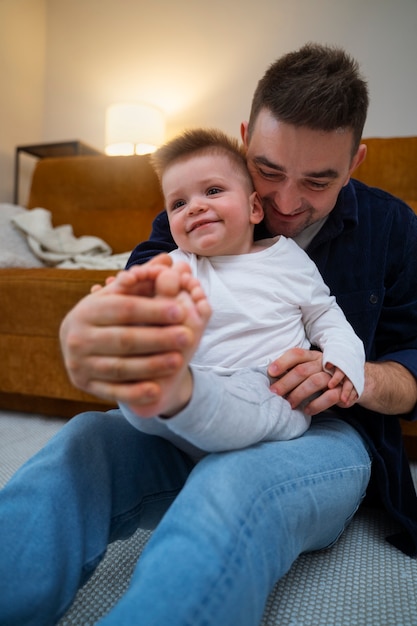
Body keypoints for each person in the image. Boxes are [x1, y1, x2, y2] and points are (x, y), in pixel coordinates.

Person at [1, 43, 416, 626]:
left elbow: (411, 359)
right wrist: (120, 331)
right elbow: (140, 284)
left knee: (234, 482)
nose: (287, 203)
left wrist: (354, 375)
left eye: (319, 182)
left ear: (355, 163)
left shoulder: (393, 227)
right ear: (246, 138)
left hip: (317, 433)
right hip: (193, 403)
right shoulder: (203, 199)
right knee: (83, 445)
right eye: (268, 171)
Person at [114, 127, 364, 456]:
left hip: (268, 385)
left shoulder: (286, 258)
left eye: (213, 190)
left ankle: (189, 406)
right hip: (193, 380)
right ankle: (168, 401)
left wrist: (344, 360)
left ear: (254, 209)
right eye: (178, 203)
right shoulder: (178, 264)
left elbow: (325, 315)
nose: (194, 207)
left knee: (253, 398)